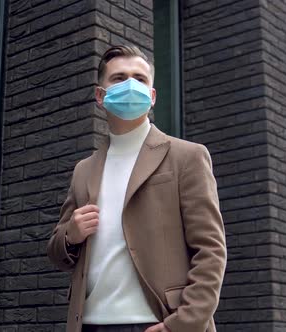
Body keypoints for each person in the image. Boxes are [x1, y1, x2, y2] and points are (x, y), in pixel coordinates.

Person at [47, 45, 227, 332]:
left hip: (157, 323)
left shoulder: (187, 156)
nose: (131, 85)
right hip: (90, 324)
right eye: (119, 78)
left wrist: (181, 325)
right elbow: (57, 252)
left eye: (140, 79)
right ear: (100, 95)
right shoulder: (84, 169)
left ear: (152, 96)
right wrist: (72, 234)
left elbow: (211, 251)